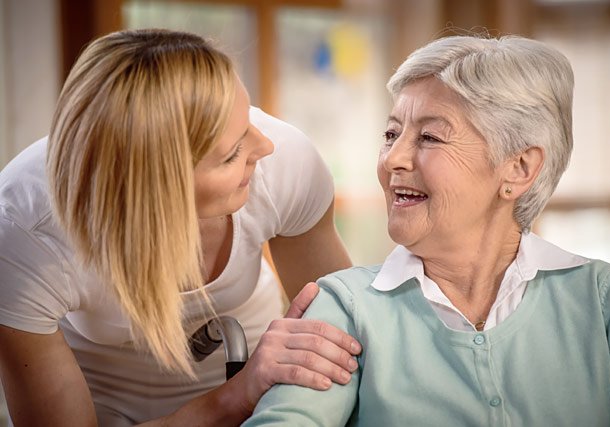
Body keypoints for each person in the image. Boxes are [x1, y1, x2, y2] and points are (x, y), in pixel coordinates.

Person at [243, 34, 610, 426]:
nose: (393, 159)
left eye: (429, 137)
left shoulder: (604, 301)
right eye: (391, 135)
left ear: (519, 168)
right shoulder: (343, 307)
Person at [0, 29, 362, 427]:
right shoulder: (23, 232)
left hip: (254, 361)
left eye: (248, 121)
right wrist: (234, 397)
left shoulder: (284, 165)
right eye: (232, 154)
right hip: (102, 399)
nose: (264, 147)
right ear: (158, 186)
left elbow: (349, 343)